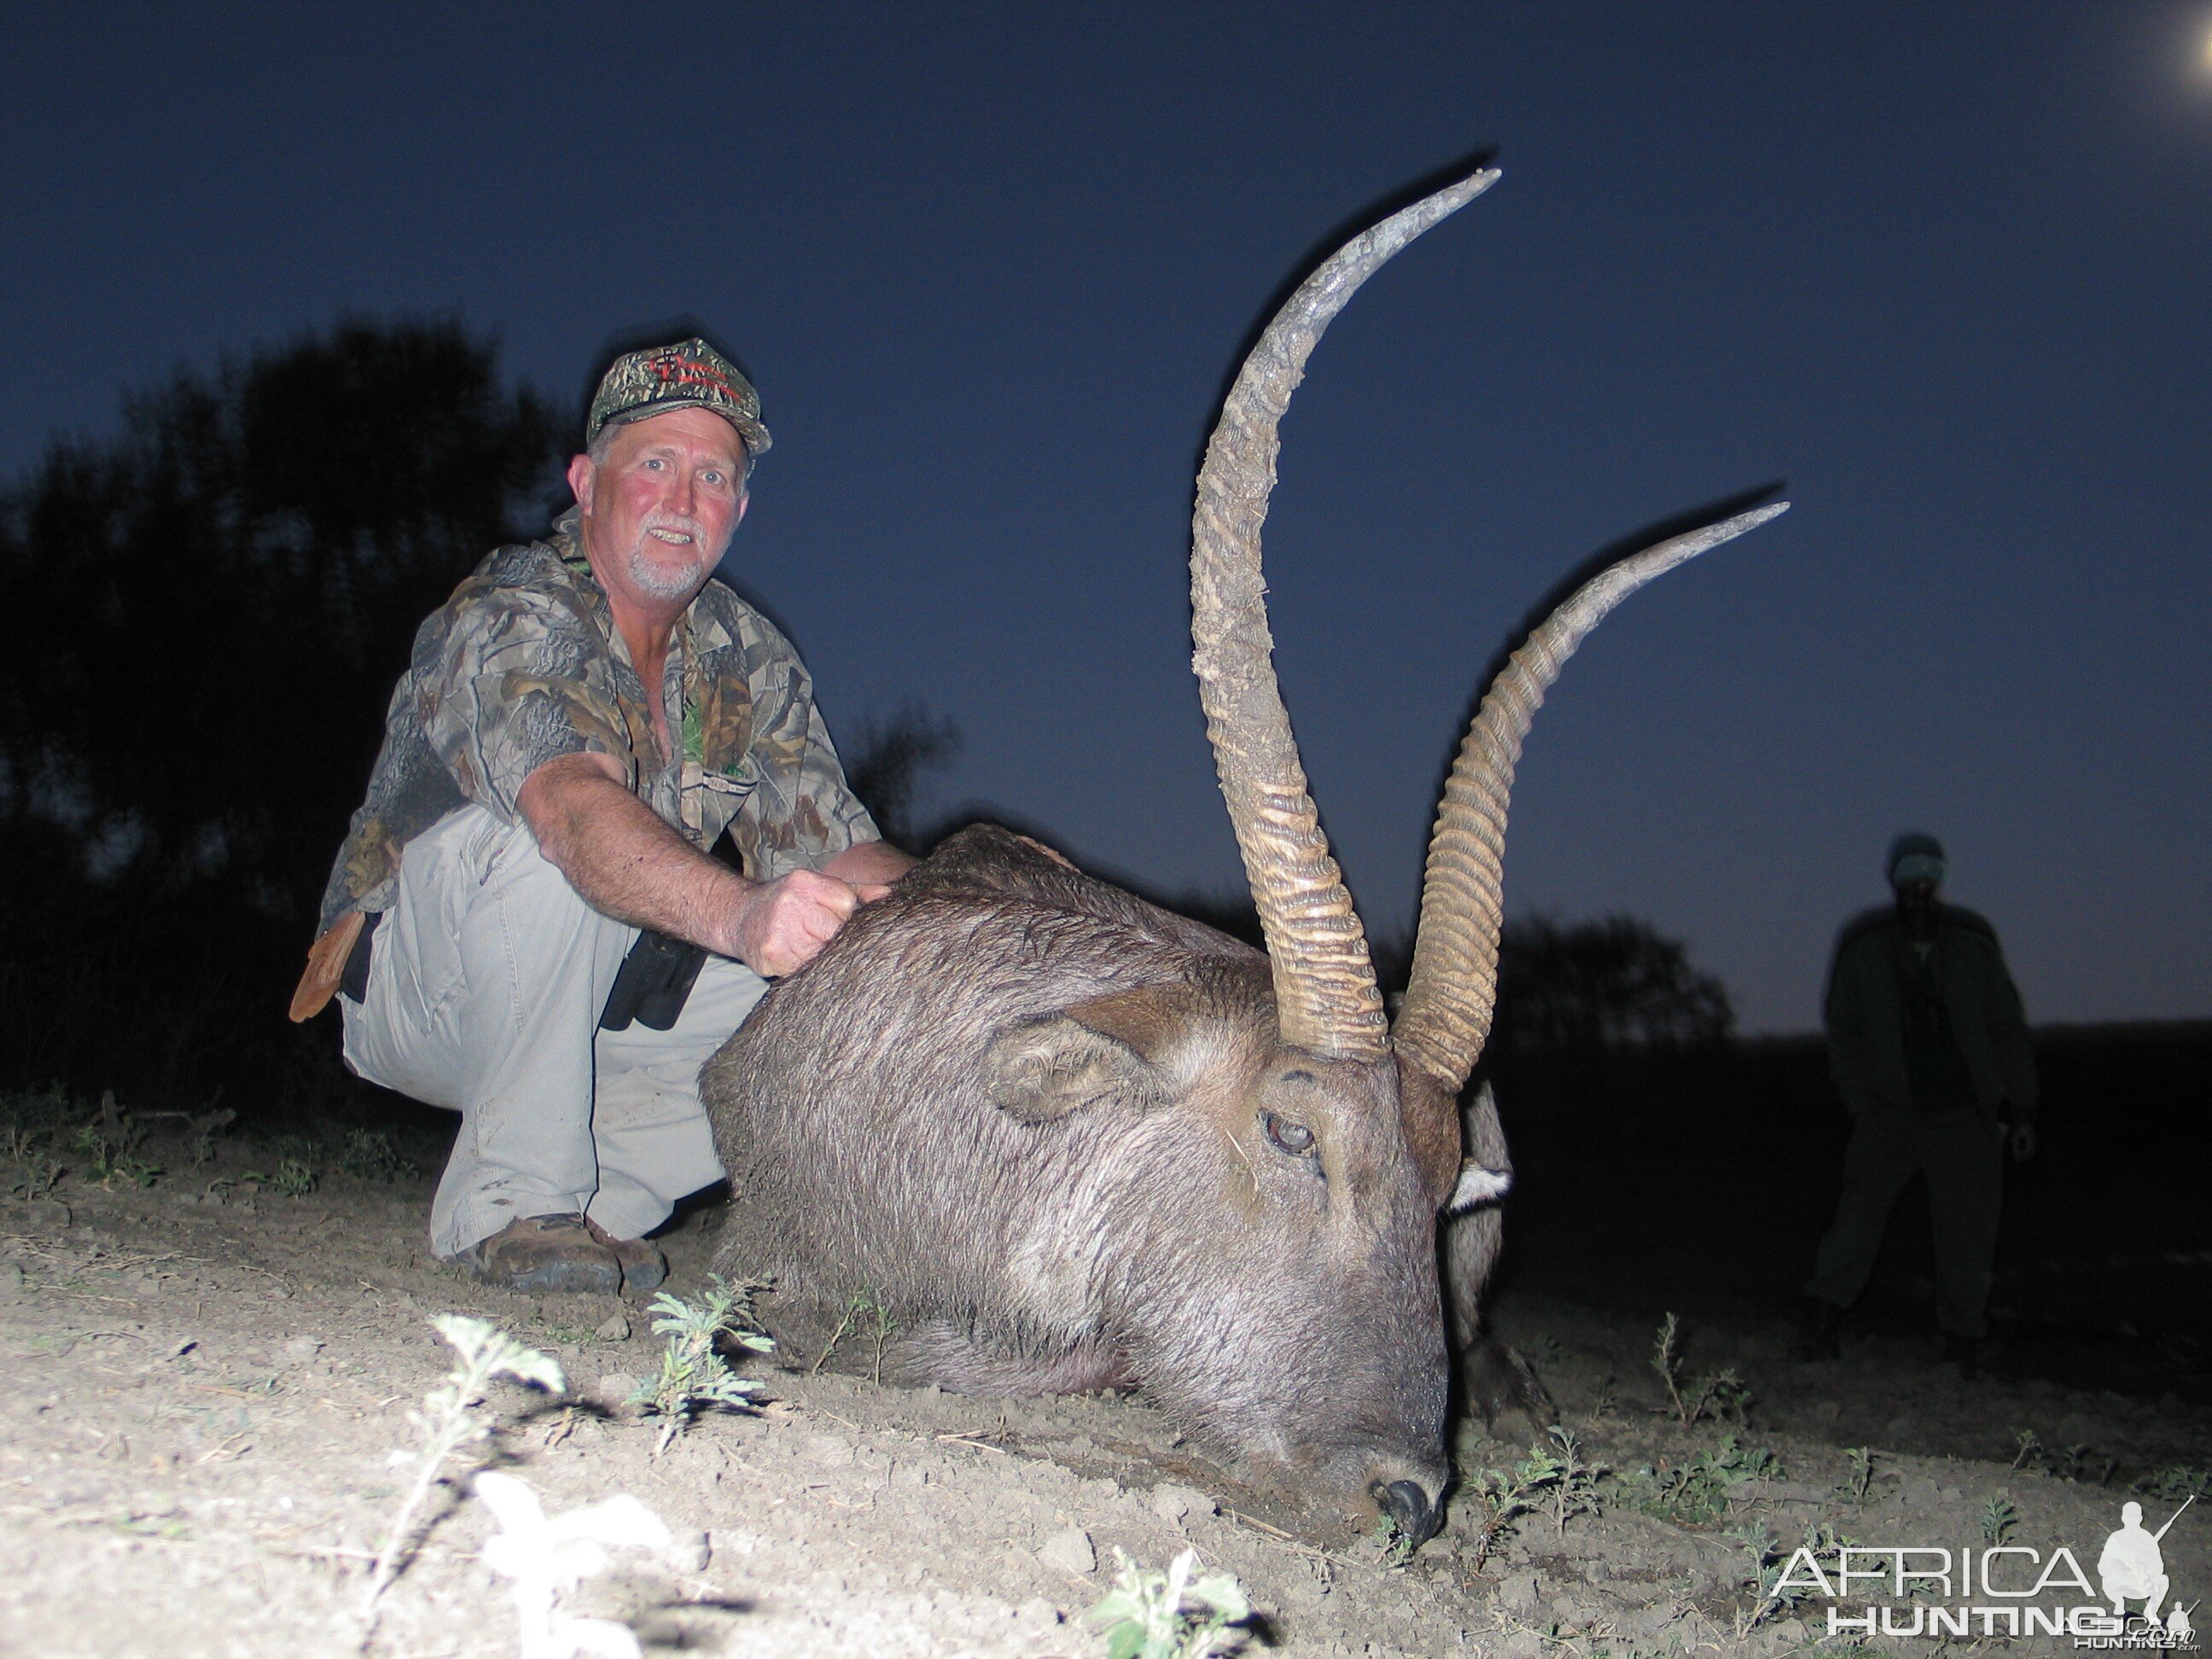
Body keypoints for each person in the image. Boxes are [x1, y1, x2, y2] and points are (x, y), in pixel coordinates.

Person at [289, 337, 913, 1293]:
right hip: (423, 995)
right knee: (563, 847)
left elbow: (848, 851)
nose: (681, 499)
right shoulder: (514, 607)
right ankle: (511, 1200)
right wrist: (747, 916)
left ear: (738, 510)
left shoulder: (751, 656)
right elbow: (571, 813)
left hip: (589, 987)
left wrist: (987, 913)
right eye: (653, 463)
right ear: (587, 482)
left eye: (712, 475)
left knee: (835, 977)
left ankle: (590, 1211)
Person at [1796, 833, 2037, 1375]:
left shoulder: (1973, 949)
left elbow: (2007, 1029)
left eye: (1930, 887)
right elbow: (1843, 1029)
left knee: (1969, 1233)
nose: (1921, 898)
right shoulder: (1865, 953)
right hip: (1890, 1116)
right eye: (1911, 887)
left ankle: (1962, 1343)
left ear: (1941, 889)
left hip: (1965, 1115)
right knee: (1855, 1219)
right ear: (1896, 888)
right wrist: (1860, 1099)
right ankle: (1824, 1324)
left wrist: (2021, 1107)